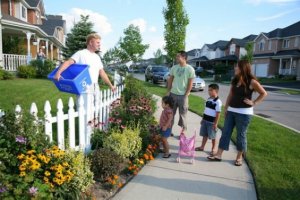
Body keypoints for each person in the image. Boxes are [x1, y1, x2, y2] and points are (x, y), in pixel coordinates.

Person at [207, 60, 267, 166]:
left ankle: (239, 157)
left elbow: (263, 93)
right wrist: (226, 108)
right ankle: (219, 154)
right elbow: (231, 95)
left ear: (243, 68)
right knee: (225, 132)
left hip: (244, 113)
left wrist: (254, 102)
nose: (235, 68)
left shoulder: (251, 82)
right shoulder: (235, 80)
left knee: (241, 135)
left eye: (237, 67)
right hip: (231, 111)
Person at [167, 51, 195, 134]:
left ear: (184, 57)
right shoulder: (174, 68)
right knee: (170, 114)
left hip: (183, 96)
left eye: (178, 56)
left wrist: (186, 95)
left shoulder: (190, 69)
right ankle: (169, 131)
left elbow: (190, 84)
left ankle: (182, 132)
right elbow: (170, 80)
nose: (176, 58)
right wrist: (168, 91)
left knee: (183, 116)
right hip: (173, 94)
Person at [195, 84, 222, 156]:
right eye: (208, 90)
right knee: (204, 135)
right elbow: (205, 110)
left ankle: (213, 149)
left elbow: (218, 113)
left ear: (216, 91)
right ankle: (202, 147)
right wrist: (203, 119)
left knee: (213, 136)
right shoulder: (209, 99)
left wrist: (215, 124)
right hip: (205, 120)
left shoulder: (218, 102)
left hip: (212, 122)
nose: (209, 92)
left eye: (211, 90)